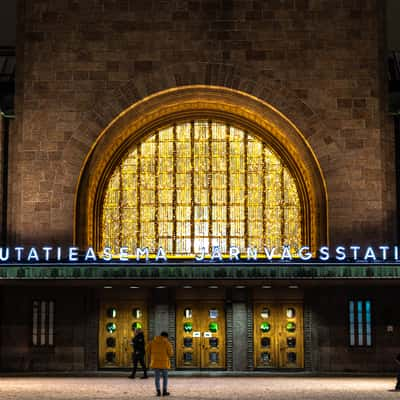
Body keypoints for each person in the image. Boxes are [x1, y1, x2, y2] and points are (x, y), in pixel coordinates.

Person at [147, 331, 173, 397]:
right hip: (164, 363)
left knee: (157, 378)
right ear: (166, 337)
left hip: (155, 362)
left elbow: (147, 351)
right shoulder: (167, 343)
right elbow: (170, 353)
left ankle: (158, 391)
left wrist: (152, 356)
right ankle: (164, 391)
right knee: (165, 378)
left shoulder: (152, 342)